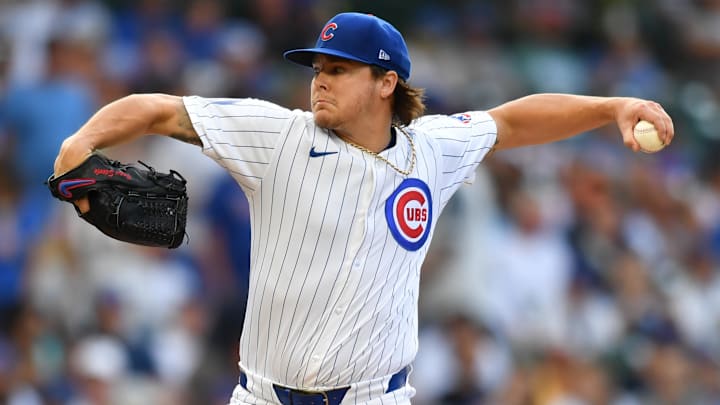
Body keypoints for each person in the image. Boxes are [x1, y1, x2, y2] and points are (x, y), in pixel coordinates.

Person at [52, 12, 674, 405]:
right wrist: (80, 143)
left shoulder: (433, 150)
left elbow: (513, 120)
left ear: (386, 82)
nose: (319, 79)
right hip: (265, 396)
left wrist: (611, 106)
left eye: (339, 69)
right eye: (317, 68)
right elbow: (160, 109)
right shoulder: (278, 135)